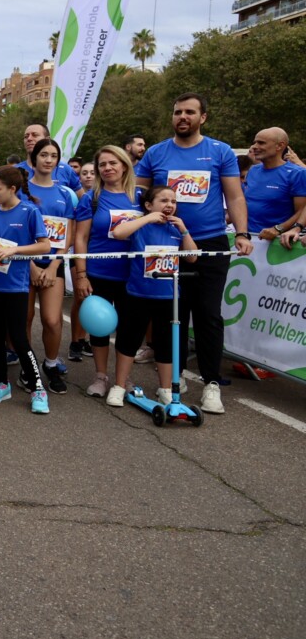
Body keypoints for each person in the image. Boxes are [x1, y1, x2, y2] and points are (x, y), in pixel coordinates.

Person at [135, 93, 251, 414]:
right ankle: (173, 378)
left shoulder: (220, 151)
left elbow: (236, 197)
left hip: (210, 243)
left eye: (189, 112)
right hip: (165, 244)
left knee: (207, 313)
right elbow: (135, 195)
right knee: (171, 312)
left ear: (203, 117)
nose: (182, 117)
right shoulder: (156, 153)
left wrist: (241, 233)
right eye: (177, 112)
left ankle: (211, 383)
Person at [107, 185, 199, 406]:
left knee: (166, 344)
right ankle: (119, 385)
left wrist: (184, 230)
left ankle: (165, 388)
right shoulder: (140, 224)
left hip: (168, 296)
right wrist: (147, 219)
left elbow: (192, 257)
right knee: (129, 340)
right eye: (163, 201)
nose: (169, 205)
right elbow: (118, 233)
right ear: (149, 205)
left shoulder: (176, 228)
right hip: (137, 293)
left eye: (173, 201)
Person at [0, 165, 52, 414]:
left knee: (18, 338)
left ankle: (37, 388)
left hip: (16, 287)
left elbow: (45, 246)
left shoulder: (30, 211)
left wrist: (14, 250)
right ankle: (1, 384)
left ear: (12, 189)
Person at [71, 146, 142, 393]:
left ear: (124, 165)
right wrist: (80, 275)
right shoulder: (91, 198)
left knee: (129, 328)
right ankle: (101, 377)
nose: (108, 168)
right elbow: (80, 238)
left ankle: (124, 379)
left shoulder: (141, 197)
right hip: (98, 273)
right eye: (103, 164)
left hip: (132, 275)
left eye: (113, 163)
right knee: (99, 327)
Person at [25, 138, 78, 394]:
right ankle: (28, 367)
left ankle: (51, 363)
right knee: (24, 319)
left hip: (53, 265)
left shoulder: (65, 193)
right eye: (43, 154)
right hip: (24, 265)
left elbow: (67, 233)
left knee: (52, 320)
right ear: (34, 158)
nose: (48, 160)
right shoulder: (21, 190)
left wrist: (53, 263)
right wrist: (32, 265)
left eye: (53, 155)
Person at [245, 128, 306, 242]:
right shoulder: (253, 170)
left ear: (279, 146)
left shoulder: (297, 173)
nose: (254, 146)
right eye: (254, 142)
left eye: (261, 143)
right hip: (248, 240)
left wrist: (278, 229)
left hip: (277, 244)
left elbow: (301, 211)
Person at [20, 124, 83, 195]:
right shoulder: (15, 170)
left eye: (35, 135)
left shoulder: (66, 170)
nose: (29, 139)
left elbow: (81, 200)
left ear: (47, 139)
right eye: (26, 136)